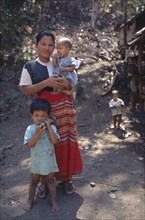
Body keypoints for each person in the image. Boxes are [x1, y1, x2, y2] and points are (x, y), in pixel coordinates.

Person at [19, 30, 83, 196]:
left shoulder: (61, 61)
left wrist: (67, 85)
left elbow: (72, 85)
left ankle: (66, 179)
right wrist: (46, 82)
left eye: (50, 45)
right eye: (43, 44)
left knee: (66, 143)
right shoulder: (30, 66)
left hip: (65, 108)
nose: (47, 48)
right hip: (45, 111)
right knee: (45, 144)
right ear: (36, 45)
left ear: (55, 46)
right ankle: (44, 182)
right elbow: (26, 90)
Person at [22, 99, 60, 212]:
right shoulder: (30, 129)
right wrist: (37, 134)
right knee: (34, 182)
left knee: (51, 181)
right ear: (31, 116)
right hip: (37, 162)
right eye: (37, 115)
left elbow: (55, 141)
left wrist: (49, 127)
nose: (40, 118)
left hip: (49, 161)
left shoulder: (52, 128)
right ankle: (30, 200)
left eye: (43, 115)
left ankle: (53, 200)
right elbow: (29, 144)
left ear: (48, 116)